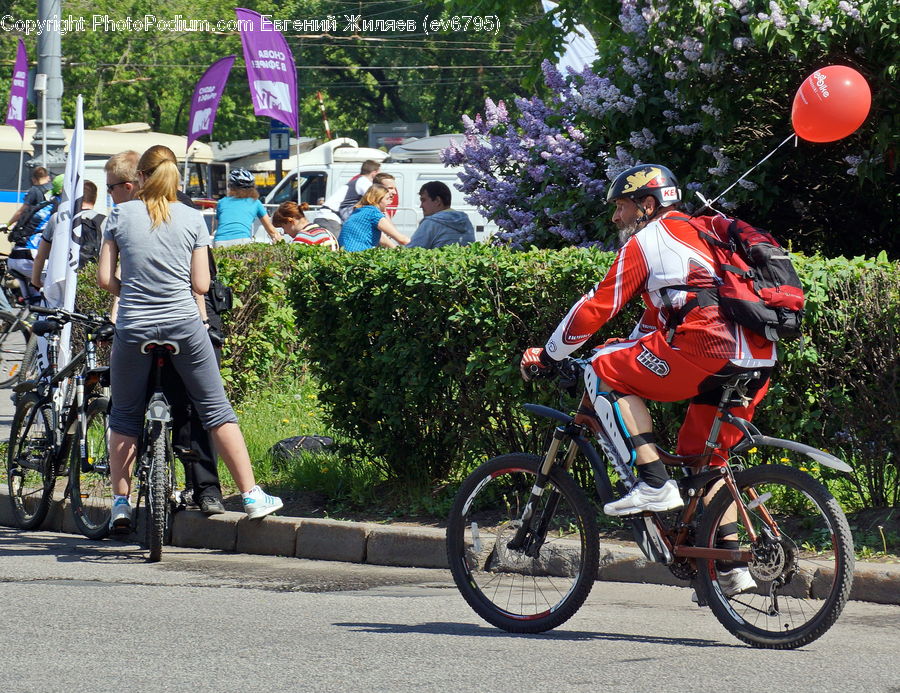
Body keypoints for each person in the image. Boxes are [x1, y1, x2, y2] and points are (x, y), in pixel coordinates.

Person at [520, 164, 775, 596]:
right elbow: (655, 323)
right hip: (757, 357)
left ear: (647, 205)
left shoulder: (649, 240)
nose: (615, 217)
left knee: (602, 368)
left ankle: (653, 482)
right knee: (704, 461)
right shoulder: (702, 235)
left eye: (620, 206)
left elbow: (596, 307)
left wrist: (548, 355)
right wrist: (626, 347)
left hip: (705, 349)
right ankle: (730, 567)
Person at [97, 147, 282, 529]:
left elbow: (103, 280)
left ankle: (120, 503)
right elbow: (201, 283)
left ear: (141, 178)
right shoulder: (193, 217)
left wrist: (130, 291)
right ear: (175, 177)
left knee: (126, 414)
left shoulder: (118, 215)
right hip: (183, 325)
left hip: (134, 327)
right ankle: (250, 495)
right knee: (216, 410)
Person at [31, 180, 105, 288]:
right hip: (90, 286)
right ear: (95, 198)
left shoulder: (57, 218)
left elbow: (40, 256)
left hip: (59, 283)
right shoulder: (104, 221)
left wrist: (36, 281)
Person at [8, 173, 63, 300]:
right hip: (29, 257)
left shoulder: (45, 204)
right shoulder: (59, 208)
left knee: (36, 303)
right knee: (62, 285)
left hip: (17, 255)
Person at [213, 168, 281, 247]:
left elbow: (219, 226)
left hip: (219, 241)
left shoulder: (222, 202)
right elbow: (271, 230)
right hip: (242, 241)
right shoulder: (255, 202)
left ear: (231, 187)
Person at [312, 159, 381, 236]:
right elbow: (375, 201)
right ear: (374, 173)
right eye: (379, 173)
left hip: (326, 217)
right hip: (330, 219)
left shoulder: (358, 181)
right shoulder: (364, 182)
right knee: (336, 246)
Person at [338, 184, 410, 252]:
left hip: (346, 255)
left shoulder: (359, 211)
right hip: (358, 256)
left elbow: (383, 240)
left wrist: (397, 251)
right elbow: (402, 239)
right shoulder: (373, 212)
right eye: (387, 198)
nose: (389, 202)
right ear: (378, 199)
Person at [406, 181, 475, 249]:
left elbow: (410, 251)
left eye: (423, 200)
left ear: (437, 201)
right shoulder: (466, 222)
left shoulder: (430, 223)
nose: (421, 206)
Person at [272, 202, 338, 249]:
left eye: (283, 227)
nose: (285, 232)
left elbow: (291, 265)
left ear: (291, 221)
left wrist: (281, 246)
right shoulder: (327, 232)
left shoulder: (302, 238)